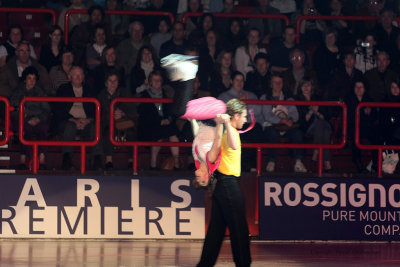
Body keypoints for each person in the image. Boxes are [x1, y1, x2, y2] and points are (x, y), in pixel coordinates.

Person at [197, 98, 251, 267]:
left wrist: (225, 124)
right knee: (239, 228)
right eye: (243, 116)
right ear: (235, 116)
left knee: (216, 231)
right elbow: (233, 146)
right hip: (227, 184)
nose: (246, 120)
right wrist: (225, 124)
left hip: (223, 184)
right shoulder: (230, 132)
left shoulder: (229, 131)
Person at [53, 66, 103, 171]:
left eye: (80, 74)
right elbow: (58, 109)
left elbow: (96, 109)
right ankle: (67, 159)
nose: (78, 77)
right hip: (68, 121)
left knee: (95, 126)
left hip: (86, 121)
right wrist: (74, 120)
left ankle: (97, 159)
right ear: (69, 76)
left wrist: (87, 120)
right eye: (75, 75)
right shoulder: (63, 89)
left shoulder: (89, 89)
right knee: (70, 126)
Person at [261, 72, 307, 173]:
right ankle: (271, 162)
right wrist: (281, 120)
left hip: (286, 126)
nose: (278, 85)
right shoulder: (265, 97)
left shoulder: (288, 97)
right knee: (273, 133)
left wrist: (290, 120)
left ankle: (298, 162)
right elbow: (267, 116)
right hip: (270, 126)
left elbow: (295, 114)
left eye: (280, 82)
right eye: (275, 82)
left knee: (297, 133)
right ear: (271, 84)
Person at [137, 70, 180, 170]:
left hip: (165, 122)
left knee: (173, 133)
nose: (157, 82)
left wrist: (168, 119)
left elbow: (171, 111)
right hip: (150, 125)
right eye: (154, 80)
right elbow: (144, 115)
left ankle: (176, 164)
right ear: (150, 82)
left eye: (159, 80)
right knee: (158, 134)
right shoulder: (144, 95)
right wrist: (158, 121)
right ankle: (153, 165)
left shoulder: (167, 94)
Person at [10, 66, 51, 170]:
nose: (32, 81)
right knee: (25, 129)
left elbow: (46, 110)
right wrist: (27, 119)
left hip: (38, 120)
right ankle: (22, 161)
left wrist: (37, 118)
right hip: (23, 121)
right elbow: (14, 111)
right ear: (25, 79)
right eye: (29, 78)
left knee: (44, 128)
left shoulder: (41, 92)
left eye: (34, 79)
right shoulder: (17, 92)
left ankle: (42, 160)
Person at [98, 71, 136, 171]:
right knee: (108, 131)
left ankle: (131, 161)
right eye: (110, 81)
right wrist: (112, 116)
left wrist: (123, 113)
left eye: (115, 81)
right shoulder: (101, 95)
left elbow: (133, 111)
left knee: (132, 133)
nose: (113, 83)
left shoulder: (125, 93)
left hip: (124, 124)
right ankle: (108, 161)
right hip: (107, 124)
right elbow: (99, 115)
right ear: (106, 83)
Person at [295, 77, 332, 172]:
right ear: (300, 87)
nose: (306, 87)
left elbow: (326, 116)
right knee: (325, 132)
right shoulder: (297, 100)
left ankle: (316, 151)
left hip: (322, 123)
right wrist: (311, 112)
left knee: (321, 124)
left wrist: (317, 112)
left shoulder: (317, 97)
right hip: (309, 127)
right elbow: (302, 121)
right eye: (304, 85)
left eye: (308, 85)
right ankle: (327, 162)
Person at [344, 80, 377, 172]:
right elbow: (348, 116)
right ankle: (358, 164)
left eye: (361, 87)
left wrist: (370, 113)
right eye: (356, 87)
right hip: (352, 127)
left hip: (366, 127)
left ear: (365, 89)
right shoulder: (348, 99)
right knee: (355, 136)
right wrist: (362, 112)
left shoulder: (369, 99)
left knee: (377, 136)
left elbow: (375, 116)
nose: (359, 89)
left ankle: (376, 163)